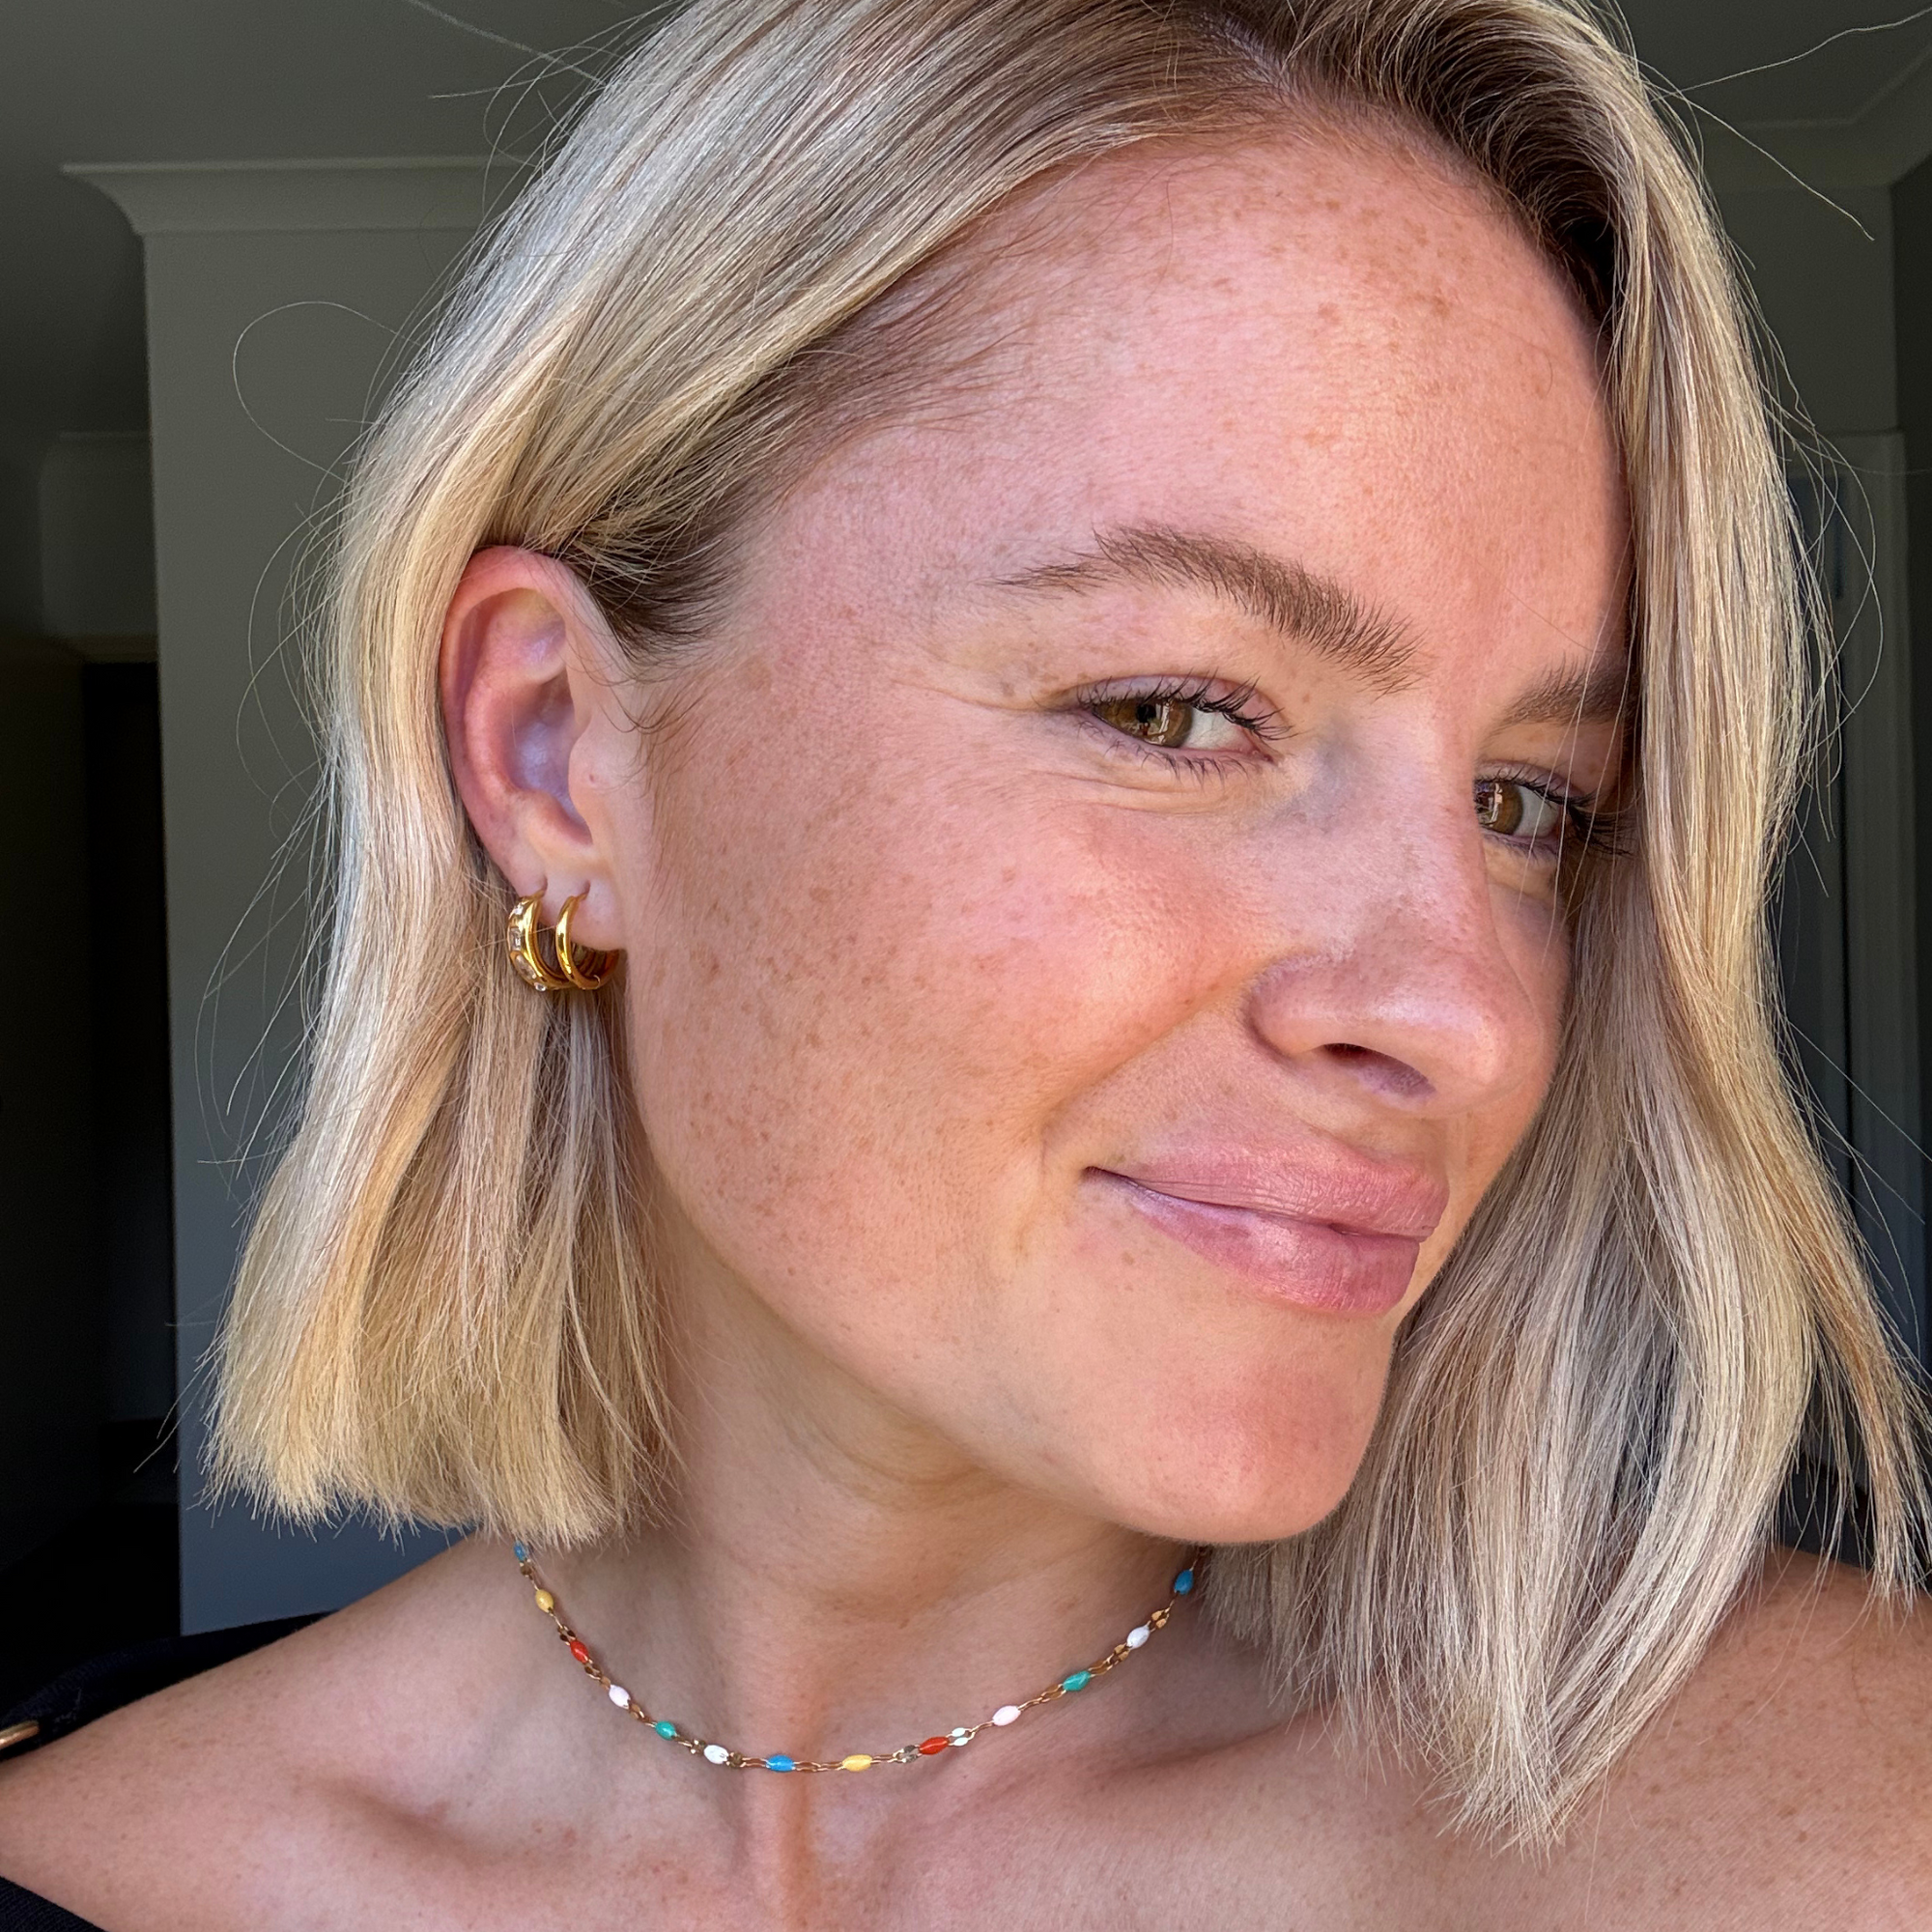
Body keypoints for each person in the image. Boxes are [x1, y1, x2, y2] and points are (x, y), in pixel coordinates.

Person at [3, 0, 1928, 1923]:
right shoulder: (88, 1856)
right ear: (555, 759)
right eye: (1177, 712)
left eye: (1529, 802)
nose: (1464, 1013)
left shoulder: (1845, 1830)